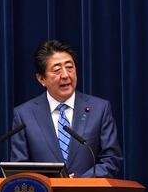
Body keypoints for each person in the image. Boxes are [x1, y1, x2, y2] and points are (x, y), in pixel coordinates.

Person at [10, 40, 123, 178]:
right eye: (57, 70)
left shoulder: (99, 109)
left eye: (70, 67)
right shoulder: (24, 115)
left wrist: (79, 183)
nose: (65, 75)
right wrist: (52, 184)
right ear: (41, 79)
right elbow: (20, 168)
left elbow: (112, 159)